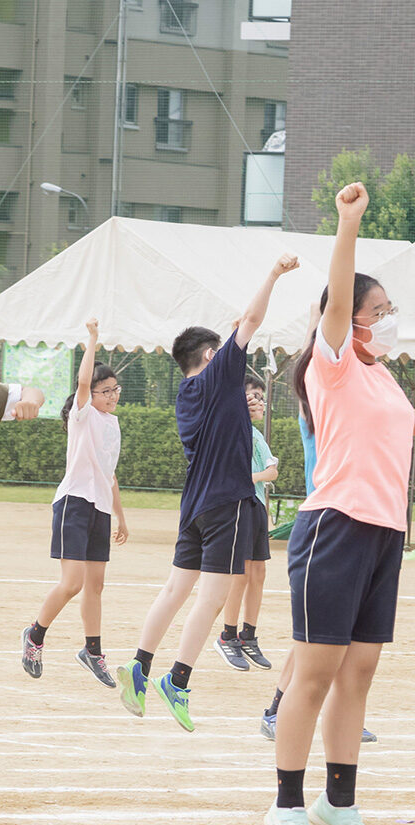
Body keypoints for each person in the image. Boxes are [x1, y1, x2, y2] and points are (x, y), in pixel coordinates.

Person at [266, 182, 415, 825]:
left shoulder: (380, 376)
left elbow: (399, 421)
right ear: (346, 319)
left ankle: (340, 801)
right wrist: (348, 225)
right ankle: (287, 805)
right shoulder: (329, 366)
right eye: (377, 311)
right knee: (314, 673)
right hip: (334, 527)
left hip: (385, 532)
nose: (388, 320)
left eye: (390, 309)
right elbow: (335, 295)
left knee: (358, 673)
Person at [116, 253, 301, 732]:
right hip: (228, 501)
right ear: (209, 356)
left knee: (177, 588)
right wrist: (274, 273)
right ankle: (176, 680)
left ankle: (139, 668)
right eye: (221, 350)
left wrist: (234, 329)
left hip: (194, 504)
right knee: (213, 597)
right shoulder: (220, 376)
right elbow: (253, 320)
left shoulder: (186, 393)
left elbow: (241, 328)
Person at [21, 317, 128, 686]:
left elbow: (109, 474)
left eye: (116, 389)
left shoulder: (113, 424)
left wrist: (121, 517)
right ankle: (35, 636)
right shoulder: (83, 417)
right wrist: (93, 340)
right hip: (74, 503)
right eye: (106, 390)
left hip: (98, 508)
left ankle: (92, 651)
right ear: (91, 395)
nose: (113, 395)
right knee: (72, 584)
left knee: (95, 585)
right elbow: (83, 381)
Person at [216, 373, 280, 672]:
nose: (257, 403)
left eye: (260, 398)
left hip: (254, 505)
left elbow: (272, 471)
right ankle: (227, 636)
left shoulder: (256, 436)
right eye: (251, 397)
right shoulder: (230, 428)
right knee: (239, 574)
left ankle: (248, 636)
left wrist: (253, 478)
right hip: (237, 506)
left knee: (258, 572)